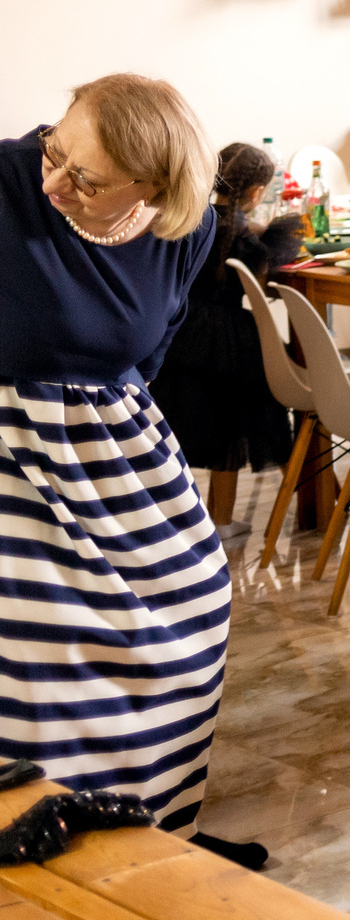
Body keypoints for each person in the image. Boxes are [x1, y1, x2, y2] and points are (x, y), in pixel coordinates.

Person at [0, 76, 264, 867]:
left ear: (155, 188)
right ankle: (49, 843)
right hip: (12, 445)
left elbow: (151, 352)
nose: (55, 182)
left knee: (194, 601)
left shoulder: (185, 230)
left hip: (116, 442)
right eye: (55, 150)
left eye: (86, 179)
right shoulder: (9, 186)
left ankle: (152, 832)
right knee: (47, 636)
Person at [150, 143, 306, 536]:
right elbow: (265, 270)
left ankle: (175, 516)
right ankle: (222, 519)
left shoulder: (197, 218)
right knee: (232, 429)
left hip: (183, 332)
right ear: (256, 192)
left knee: (188, 425)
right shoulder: (242, 235)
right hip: (231, 338)